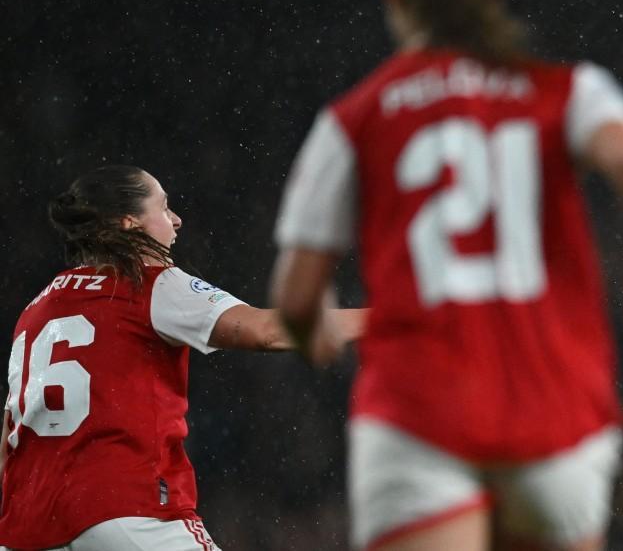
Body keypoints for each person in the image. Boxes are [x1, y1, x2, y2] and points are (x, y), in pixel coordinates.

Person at [267, 0, 623, 551]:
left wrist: (311, 326)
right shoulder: (566, 90)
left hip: (418, 410)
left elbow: (294, 289)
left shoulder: (353, 119)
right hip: (551, 408)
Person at [0, 165, 361, 551]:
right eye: (164, 207)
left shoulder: (37, 309)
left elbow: (10, 435)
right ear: (128, 223)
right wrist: (396, 317)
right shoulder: (150, 283)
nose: (176, 220)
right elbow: (266, 331)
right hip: (125, 510)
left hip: (27, 524)